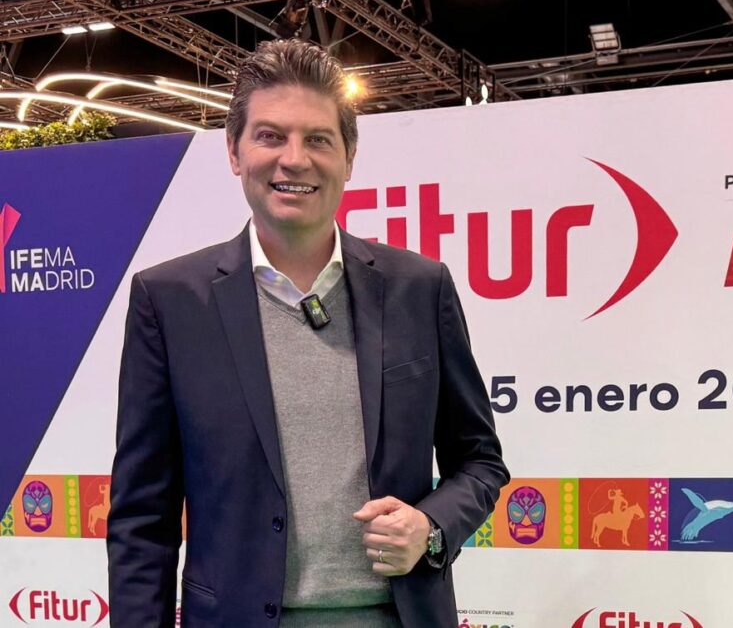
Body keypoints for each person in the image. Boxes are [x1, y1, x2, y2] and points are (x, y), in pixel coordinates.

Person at [106, 38, 509, 627]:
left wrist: (431, 525)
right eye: (270, 136)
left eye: (318, 139)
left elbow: (480, 461)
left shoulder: (420, 289)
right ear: (234, 152)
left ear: (349, 157)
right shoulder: (169, 301)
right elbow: (143, 517)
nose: (294, 159)